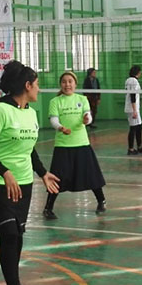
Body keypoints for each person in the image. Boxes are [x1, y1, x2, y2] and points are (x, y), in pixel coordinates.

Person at [0, 60, 60, 285]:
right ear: (27, 85)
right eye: (37, 84)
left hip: (24, 183)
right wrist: (5, 172)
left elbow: (29, 149)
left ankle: (13, 280)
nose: (39, 89)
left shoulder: (30, 113)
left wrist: (42, 173)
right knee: (9, 233)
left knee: (18, 234)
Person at [42, 71, 106, 219]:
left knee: (91, 174)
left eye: (70, 81)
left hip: (82, 143)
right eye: (64, 82)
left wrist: (87, 119)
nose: (67, 84)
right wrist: (60, 128)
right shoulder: (55, 101)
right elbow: (53, 120)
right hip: (63, 145)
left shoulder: (82, 99)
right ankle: (48, 208)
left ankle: (101, 201)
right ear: (60, 84)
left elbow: (88, 116)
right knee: (57, 177)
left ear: (75, 84)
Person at [124, 65, 142, 155]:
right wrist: (134, 110)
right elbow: (132, 95)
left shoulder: (129, 80)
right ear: (138, 72)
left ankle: (139, 146)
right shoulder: (133, 81)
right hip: (132, 109)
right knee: (133, 128)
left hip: (133, 108)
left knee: (138, 127)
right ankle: (130, 149)